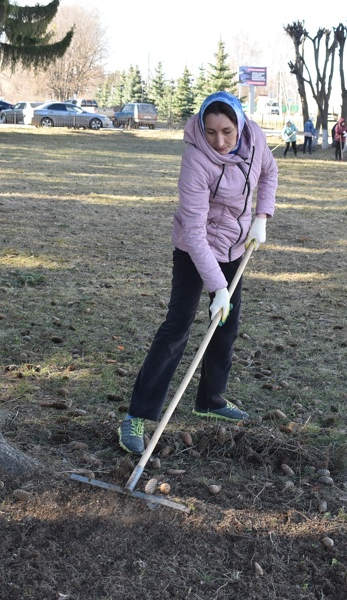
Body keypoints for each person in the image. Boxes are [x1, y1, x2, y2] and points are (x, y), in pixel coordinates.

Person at [117, 91, 278, 455]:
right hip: (195, 249)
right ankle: (136, 416)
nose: (219, 141)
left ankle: (211, 400)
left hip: (235, 246)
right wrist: (217, 286)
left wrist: (261, 217)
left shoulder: (256, 139)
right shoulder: (195, 160)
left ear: (240, 124)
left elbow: (269, 171)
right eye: (210, 132)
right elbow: (193, 232)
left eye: (226, 131)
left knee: (226, 325)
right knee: (178, 326)